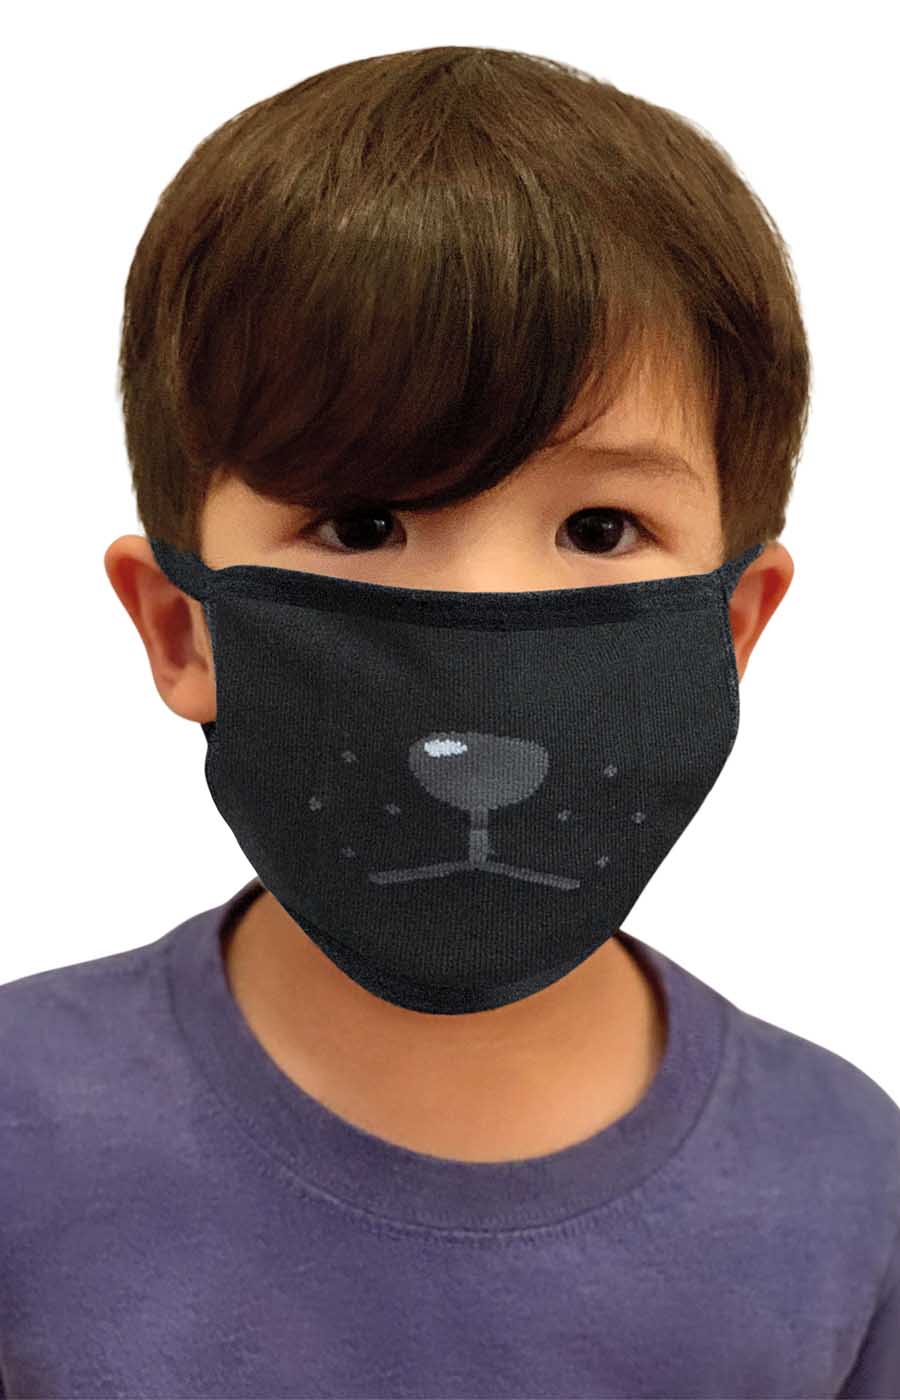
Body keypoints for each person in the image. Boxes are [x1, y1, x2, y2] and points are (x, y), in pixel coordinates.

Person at [2, 44, 897, 1399]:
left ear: (731, 630)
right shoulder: (19, 1132)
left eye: (601, 528)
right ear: (182, 629)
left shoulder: (853, 1186)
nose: (479, 645)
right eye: (364, 522)